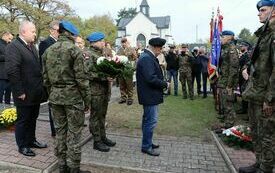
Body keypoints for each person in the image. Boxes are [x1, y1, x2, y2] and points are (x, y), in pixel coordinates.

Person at [42, 21, 91, 173]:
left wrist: (52, 93)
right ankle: (74, 168)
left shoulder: (48, 51)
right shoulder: (74, 51)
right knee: (74, 134)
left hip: (55, 98)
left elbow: (45, 79)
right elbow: (82, 80)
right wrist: (87, 100)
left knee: (60, 133)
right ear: (70, 34)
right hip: (73, 98)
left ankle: (62, 166)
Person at [239, 1, 275, 173]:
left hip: (266, 97)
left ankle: (266, 168)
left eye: (263, 10)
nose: (259, 14)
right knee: (257, 132)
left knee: (268, 136)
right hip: (256, 94)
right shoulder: (265, 34)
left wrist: (270, 99)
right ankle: (259, 163)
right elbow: (261, 65)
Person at [6, 21, 47, 157]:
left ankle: (31, 140)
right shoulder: (14, 46)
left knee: (33, 118)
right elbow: (12, 70)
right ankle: (22, 145)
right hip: (24, 92)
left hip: (34, 91)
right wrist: (19, 91)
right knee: (23, 120)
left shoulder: (32, 46)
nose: (35, 34)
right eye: (33, 31)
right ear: (23, 31)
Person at [136, 37, 169, 157]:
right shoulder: (146, 58)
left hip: (150, 95)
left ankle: (148, 142)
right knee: (150, 121)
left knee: (148, 121)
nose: (161, 51)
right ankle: (146, 146)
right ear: (155, 47)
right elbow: (151, 78)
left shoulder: (147, 57)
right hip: (149, 95)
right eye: (160, 48)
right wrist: (165, 84)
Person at [86, 32, 116, 152]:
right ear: (95, 42)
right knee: (95, 116)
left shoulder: (99, 54)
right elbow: (87, 73)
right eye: (102, 41)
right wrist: (104, 77)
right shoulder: (88, 54)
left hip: (103, 90)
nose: (104, 43)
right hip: (95, 91)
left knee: (102, 115)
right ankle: (97, 141)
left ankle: (103, 137)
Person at [38, 20, 60, 137]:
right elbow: (43, 63)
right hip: (51, 80)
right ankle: (54, 131)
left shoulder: (60, 42)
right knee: (52, 106)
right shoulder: (45, 43)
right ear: (51, 30)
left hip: (60, 80)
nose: (60, 32)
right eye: (58, 30)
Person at [216, 30, 239, 129]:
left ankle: (229, 124)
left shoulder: (232, 49)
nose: (221, 39)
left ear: (229, 37)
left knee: (228, 103)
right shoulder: (226, 48)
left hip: (227, 82)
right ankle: (226, 120)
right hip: (223, 80)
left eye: (222, 37)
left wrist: (230, 85)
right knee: (224, 102)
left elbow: (234, 69)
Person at [117, 37, 137, 105]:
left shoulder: (131, 49)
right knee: (122, 84)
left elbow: (135, 58)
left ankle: (130, 98)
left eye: (124, 42)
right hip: (121, 69)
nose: (123, 44)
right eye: (122, 43)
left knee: (129, 84)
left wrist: (133, 68)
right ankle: (123, 97)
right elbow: (117, 58)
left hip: (128, 69)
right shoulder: (119, 50)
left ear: (126, 42)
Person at [236, 41, 251, 115]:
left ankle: (246, 110)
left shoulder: (247, 55)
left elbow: (247, 66)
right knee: (242, 92)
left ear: (246, 47)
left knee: (245, 92)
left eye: (242, 46)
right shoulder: (243, 55)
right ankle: (244, 108)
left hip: (245, 77)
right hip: (241, 76)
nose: (241, 47)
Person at [0, 31, 13, 104]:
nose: (10, 40)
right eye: (9, 38)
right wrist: (8, 57)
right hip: (1, 76)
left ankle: (8, 113)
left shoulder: (9, 45)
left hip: (9, 74)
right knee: (0, 95)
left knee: (8, 97)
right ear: (4, 35)